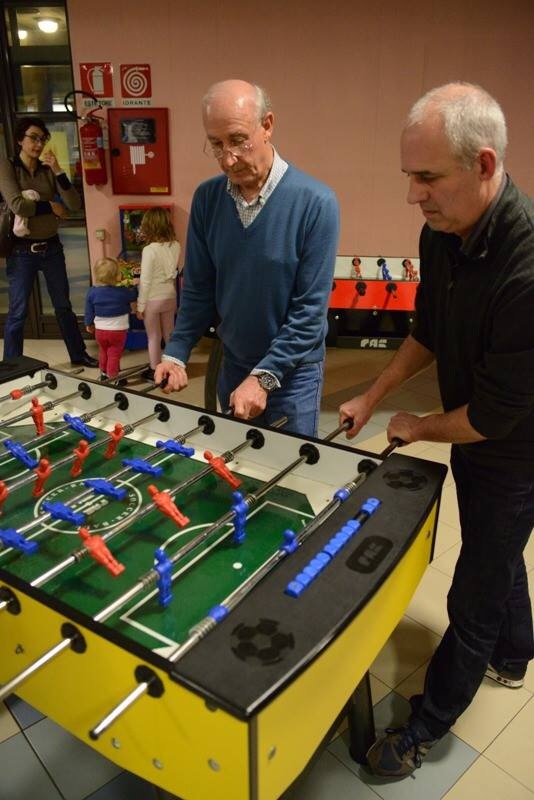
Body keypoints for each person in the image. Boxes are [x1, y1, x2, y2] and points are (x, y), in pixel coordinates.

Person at [339, 82, 534, 778]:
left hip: (517, 448)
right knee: (497, 546)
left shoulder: (526, 268)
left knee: (475, 586)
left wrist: (419, 426)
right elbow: (429, 329)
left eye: (427, 178)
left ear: (484, 165)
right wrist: (373, 394)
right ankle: (517, 651)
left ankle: (426, 726)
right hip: (478, 434)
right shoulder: (444, 231)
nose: (412, 196)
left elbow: (493, 416)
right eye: (408, 176)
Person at [155, 79, 339, 436]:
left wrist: (264, 378)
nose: (228, 159)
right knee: (235, 461)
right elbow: (198, 289)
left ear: (267, 125)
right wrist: (175, 353)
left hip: (294, 373)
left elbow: (310, 312)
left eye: (238, 140)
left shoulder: (316, 203)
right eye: (216, 144)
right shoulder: (207, 199)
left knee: (289, 466)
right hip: (234, 362)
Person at [0, 117, 98, 366]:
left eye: (42, 139)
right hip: (22, 252)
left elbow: (74, 204)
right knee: (18, 312)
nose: (38, 144)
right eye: (33, 138)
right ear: (20, 139)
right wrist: (51, 207)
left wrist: (58, 170)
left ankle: (78, 355)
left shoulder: (46, 170)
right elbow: (18, 204)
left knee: (63, 307)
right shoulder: (8, 166)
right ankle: (11, 365)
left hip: (52, 248)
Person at [136, 207, 180, 382]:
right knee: (170, 334)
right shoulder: (176, 245)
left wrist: (140, 306)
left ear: (149, 226)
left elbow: (145, 281)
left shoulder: (149, 250)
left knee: (154, 337)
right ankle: (171, 368)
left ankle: (154, 370)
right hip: (170, 296)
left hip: (152, 300)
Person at [85, 257, 137, 382]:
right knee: (114, 354)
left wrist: (88, 323)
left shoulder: (92, 292)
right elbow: (133, 295)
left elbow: (89, 310)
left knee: (103, 351)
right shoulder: (122, 292)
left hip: (100, 331)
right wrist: (135, 286)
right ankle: (114, 378)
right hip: (117, 331)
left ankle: (103, 373)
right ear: (117, 276)